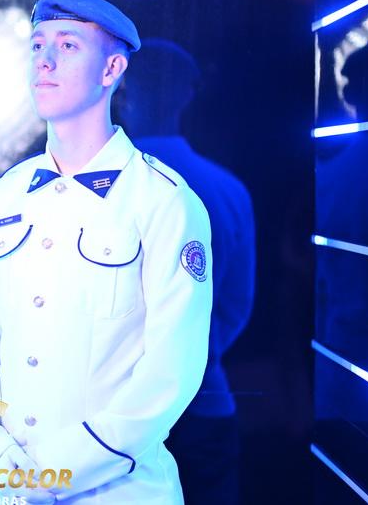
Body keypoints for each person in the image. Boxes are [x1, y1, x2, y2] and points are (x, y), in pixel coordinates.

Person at [0, 0, 213, 504]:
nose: (44, 61)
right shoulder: (6, 194)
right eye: (37, 45)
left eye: (68, 45)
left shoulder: (163, 200)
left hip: (116, 492)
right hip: (3, 488)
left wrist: (52, 474)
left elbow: (169, 374)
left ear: (112, 68)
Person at [115, 38, 255, 504]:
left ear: (121, 91)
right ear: (187, 95)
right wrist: (198, 354)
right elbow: (237, 305)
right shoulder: (228, 190)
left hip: (109, 416)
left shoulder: (81, 189)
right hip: (205, 401)